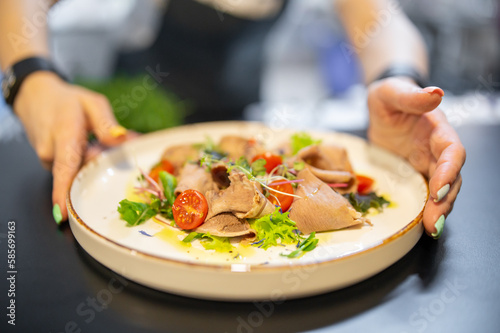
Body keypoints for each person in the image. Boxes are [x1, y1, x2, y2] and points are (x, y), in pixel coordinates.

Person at [0, 0, 465, 239]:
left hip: (239, 118)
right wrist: (30, 76)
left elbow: (379, 17)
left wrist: (398, 81)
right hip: (143, 109)